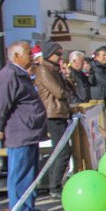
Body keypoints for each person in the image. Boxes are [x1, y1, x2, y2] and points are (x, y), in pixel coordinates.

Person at [0, 42, 48, 211]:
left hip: (29, 133)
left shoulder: (22, 74)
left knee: (29, 174)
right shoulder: (8, 75)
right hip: (20, 133)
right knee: (19, 174)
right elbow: (1, 104)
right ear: (16, 56)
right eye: (27, 53)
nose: (31, 56)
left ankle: (28, 208)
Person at [34, 41, 73, 199]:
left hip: (60, 113)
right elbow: (60, 93)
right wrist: (67, 91)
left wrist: (68, 76)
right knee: (62, 152)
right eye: (58, 53)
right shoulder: (44, 70)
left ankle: (55, 184)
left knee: (63, 151)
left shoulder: (55, 70)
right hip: (53, 115)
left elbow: (70, 90)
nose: (60, 57)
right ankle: (54, 186)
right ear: (49, 54)